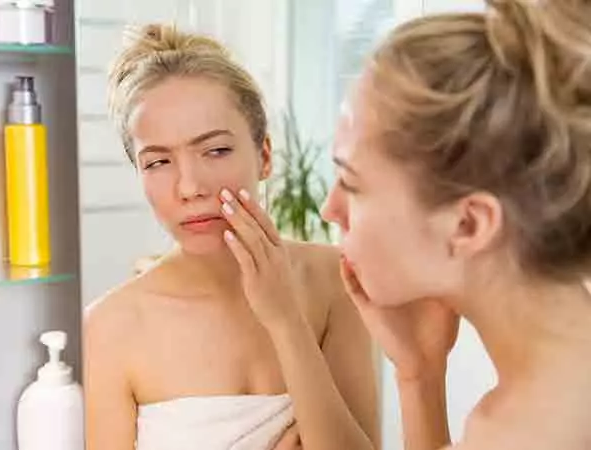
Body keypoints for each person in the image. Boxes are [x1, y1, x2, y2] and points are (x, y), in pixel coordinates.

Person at [84, 24, 381, 450]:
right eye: (158, 162)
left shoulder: (333, 279)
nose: (189, 187)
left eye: (216, 150)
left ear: (263, 156)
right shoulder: (110, 327)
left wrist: (286, 321)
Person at [320, 0, 591, 449]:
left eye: (351, 182)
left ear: (468, 224)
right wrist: (419, 374)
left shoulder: (534, 433)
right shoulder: (544, 398)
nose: (331, 209)